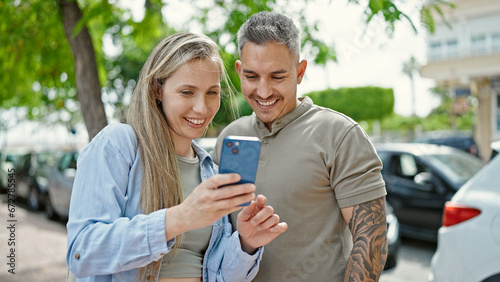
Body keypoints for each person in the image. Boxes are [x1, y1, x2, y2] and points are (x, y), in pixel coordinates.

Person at [66, 32, 288, 282]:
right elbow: (81, 252)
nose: (202, 108)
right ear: (157, 90)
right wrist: (179, 218)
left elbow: (218, 276)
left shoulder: (211, 172)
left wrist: (247, 244)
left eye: (212, 93)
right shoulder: (119, 144)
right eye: (186, 92)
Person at [211, 11, 388, 281]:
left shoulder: (340, 134)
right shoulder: (230, 138)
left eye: (277, 77)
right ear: (239, 71)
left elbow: (371, 239)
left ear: (300, 71)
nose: (263, 90)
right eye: (251, 76)